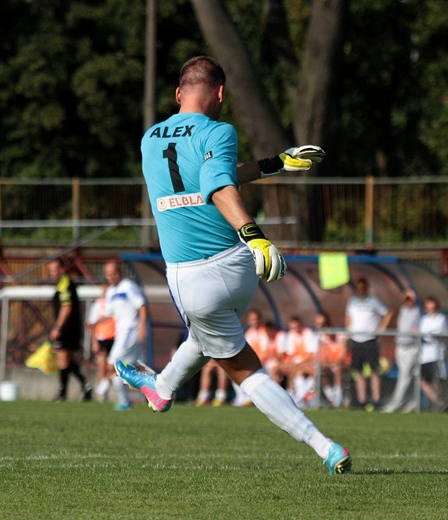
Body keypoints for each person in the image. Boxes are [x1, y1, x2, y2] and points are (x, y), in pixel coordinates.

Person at [113, 55, 350, 475]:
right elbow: (215, 180)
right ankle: (160, 387)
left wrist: (255, 230)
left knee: (245, 369)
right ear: (220, 93)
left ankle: (323, 445)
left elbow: (215, 183)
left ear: (177, 94)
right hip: (239, 271)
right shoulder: (219, 129)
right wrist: (273, 169)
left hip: (192, 277)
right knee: (208, 340)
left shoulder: (150, 139)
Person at [102, 260, 147, 411]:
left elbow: (142, 305)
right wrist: (93, 322)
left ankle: (124, 400)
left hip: (131, 331)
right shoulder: (110, 291)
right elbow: (109, 313)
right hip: (121, 334)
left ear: (119, 272)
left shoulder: (128, 286)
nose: (111, 277)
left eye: (113, 274)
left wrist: (142, 327)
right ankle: (150, 392)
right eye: (108, 275)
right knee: (132, 368)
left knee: (113, 364)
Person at [344, 277, 393, 411]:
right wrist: (349, 330)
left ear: (367, 288)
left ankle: (376, 399)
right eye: (358, 288)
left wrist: (382, 329)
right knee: (358, 371)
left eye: (363, 288)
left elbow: (388, 313)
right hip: (356, 340)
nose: (361, 290)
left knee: (374, 371)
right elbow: (348, 317)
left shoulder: (373, 301)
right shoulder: (352, 302)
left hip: (370, 340)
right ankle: (362, 400)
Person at [48, 258, 92, 402]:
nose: (51, 273)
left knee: (63, 360)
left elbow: (66, 308)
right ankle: (85, 386)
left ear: (62, 269)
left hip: (67, 328)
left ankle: (63, 393)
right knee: (65, 360)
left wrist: (57, 328)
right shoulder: (63, 284)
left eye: (54, 270)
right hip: (68, 328)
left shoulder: (66, 284)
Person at [382, 290, 421, 413]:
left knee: (405, 376)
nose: (408, 301)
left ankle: (396, 402)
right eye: (406, 299)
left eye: (410, 299)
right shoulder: (403, 310)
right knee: (409, 375)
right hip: (401, 346)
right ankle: (412, 401)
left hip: (412, 347)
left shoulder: (417, 312)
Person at [274, 315, 319, 408]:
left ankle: (296, 397)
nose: (295, 329)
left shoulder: (308, 333)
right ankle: (276, 396)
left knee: (298, 370)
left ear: (301, 325)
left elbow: (311, 355)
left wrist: (298, 364)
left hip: (308, 363)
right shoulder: (290, 335)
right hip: (296, 363)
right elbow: (289, 354)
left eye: (297, 327)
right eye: (293, 327)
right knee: (275, 369)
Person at [417, 296, 448, 413]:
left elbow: (437, 335)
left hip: (437, 355)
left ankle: (439, 404)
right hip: (424, 356)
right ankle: (439, 403)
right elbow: (422, 334)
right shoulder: (424, 320)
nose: (430, 309)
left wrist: (425, 335)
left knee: (436, 381)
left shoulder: (441, 319)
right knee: (422, 380)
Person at [86, 286, 115, 401]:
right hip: (102, 337)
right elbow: (92, 324)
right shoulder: (98, 305)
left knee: (113, 367)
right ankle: (102, 396)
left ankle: (104, 387)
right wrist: (94, 342)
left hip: (115, 338)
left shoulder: (116, 302)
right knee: (102, 366)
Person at [314, 312, 345, 408]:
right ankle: (331, 397)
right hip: (330, 364)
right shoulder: (322, 337)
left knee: (337, 369)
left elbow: (343, 355)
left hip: (342, 363)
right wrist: (327, 363)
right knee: (321, 370)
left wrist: (335, 363)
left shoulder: (341, 335)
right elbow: (323, 356)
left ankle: (338, 398)